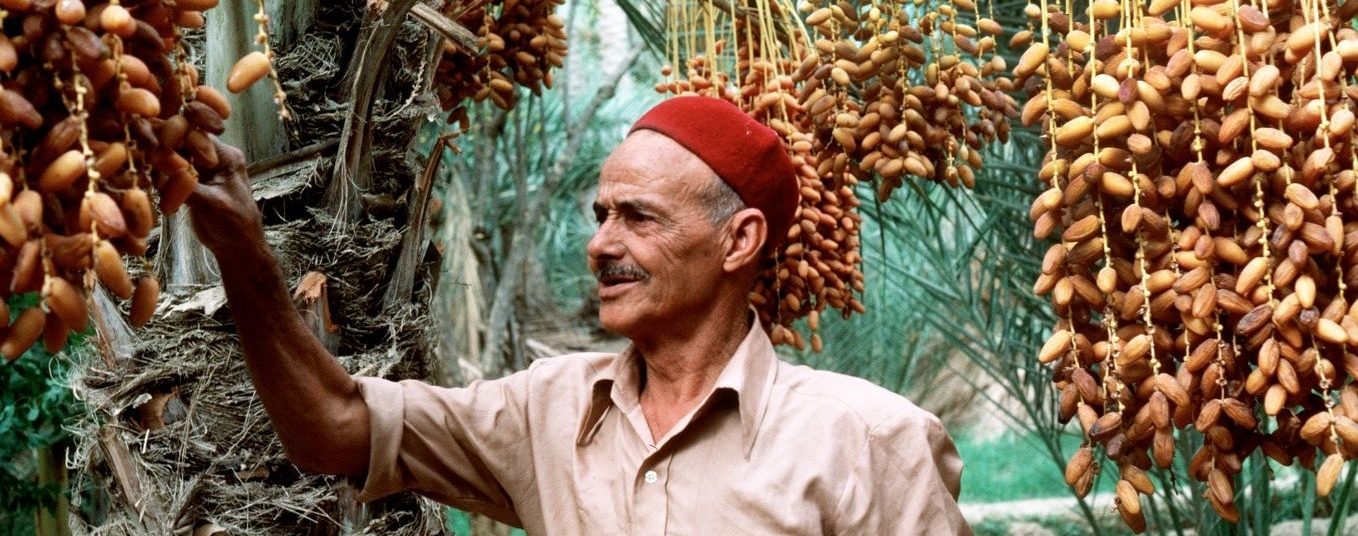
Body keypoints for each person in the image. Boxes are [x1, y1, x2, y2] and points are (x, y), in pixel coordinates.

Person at [186, 96, 971, 535]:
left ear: (740, 241)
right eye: (600, 214)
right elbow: (331, 426)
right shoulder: (546, 411)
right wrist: (246, 257)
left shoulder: (868, 441)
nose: (600, 245)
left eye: (639, 217)